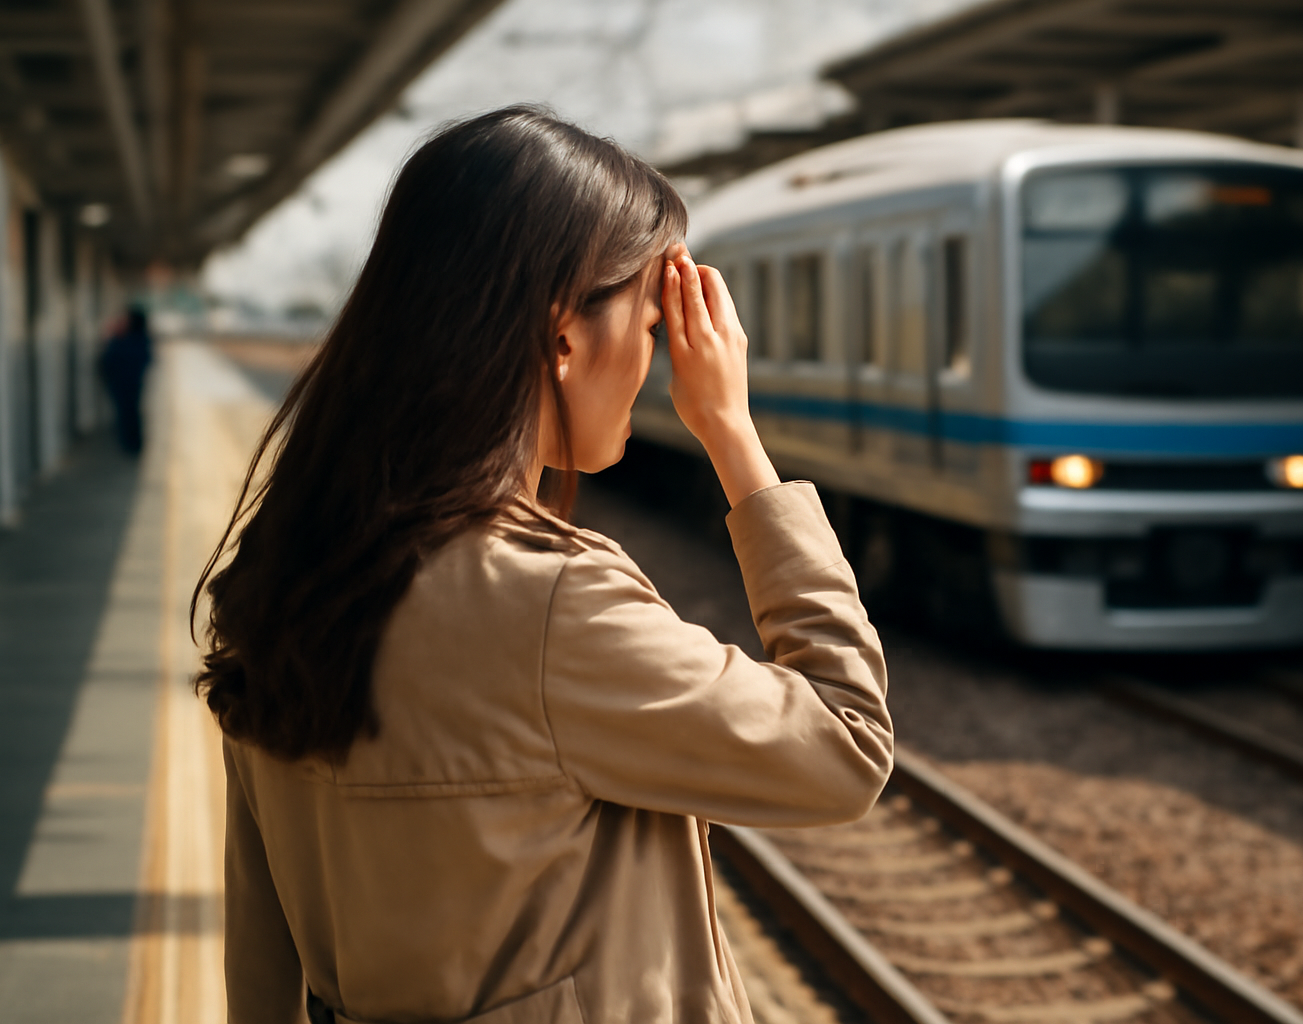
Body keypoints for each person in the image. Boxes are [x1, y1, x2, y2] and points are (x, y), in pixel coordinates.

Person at [193, 106, 891, 1024]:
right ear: (563, 336)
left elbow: (263, 944)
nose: (661, 363)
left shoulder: (279, 576)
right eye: (654, 326)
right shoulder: (549, 604)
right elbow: (845, 747)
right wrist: (733, 435)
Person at [99, 305, 152, 454]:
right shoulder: (137, 338)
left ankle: (132, 445)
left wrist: (114, 336)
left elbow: (111, 359)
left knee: (128, 415)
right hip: (127, 383)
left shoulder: (129, 340)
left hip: (125, 383)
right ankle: (132, 444)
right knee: (129, 414)